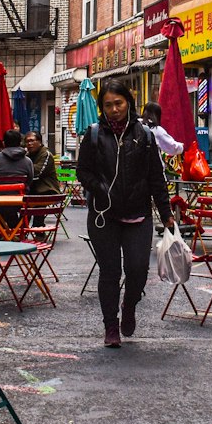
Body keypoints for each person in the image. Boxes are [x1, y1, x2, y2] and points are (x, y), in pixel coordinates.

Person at [77, 78, 175, 349]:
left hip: (138, 214)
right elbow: (82, 171)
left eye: (118, 103)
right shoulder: (94, 134)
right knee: (110, 271)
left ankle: (129, 305)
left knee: (137, 270)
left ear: (129, 102)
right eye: (108, 105)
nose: (114, 109)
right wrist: (99, 188)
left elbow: (156, 177)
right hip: (103, 216)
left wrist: (166, 213)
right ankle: (111, 326)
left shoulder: (144, 135)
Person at [0, 128, 34, 231]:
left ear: (4, 143)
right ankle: (17, 231)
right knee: (29, 203)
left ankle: (5, 232)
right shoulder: (27, 161)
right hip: (20, 200)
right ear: (20, 143)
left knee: (3, 208)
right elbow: (30, 180)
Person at [24, 130, 61, 196]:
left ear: (40, 142)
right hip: (31, 190)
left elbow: (37, 172)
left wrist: (24, 167)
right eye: (27, 141)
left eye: (32, 141)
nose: (29, 144)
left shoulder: (46, 154)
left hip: (47, 190)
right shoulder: (27, 155)